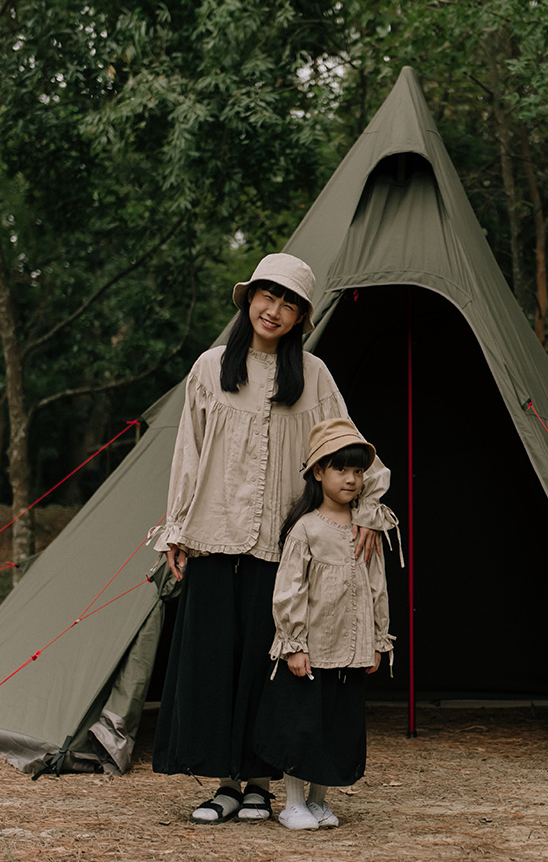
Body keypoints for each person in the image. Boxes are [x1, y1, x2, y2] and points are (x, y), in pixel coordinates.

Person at [151, 252, 392, 825]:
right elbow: (188, 452)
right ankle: (224, 786)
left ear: (302, 317)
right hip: (214, 539)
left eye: (289, 303)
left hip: (281, 550)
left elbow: (350, 449)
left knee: (268, 670)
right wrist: (177, 527)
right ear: (249, 299)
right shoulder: (210, 368)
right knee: (215, 665)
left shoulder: (314, 376)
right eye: (268, 296)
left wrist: (367, 508)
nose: (275, 310)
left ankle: (260, 785)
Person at [253, 417, 399, 830]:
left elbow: (377, 586)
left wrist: (378, 639)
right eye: (341, 469)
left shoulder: (366, 530)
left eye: (358, 471)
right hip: (313, 650)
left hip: (350, 652)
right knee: (303, 726)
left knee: (336, 726)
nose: (351, 479)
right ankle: (293, 803)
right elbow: (288, 590)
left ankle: (319, 801)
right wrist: (294, 644)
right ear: (318, 472)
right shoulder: (307, 529)